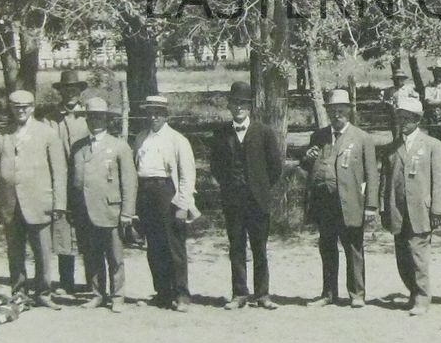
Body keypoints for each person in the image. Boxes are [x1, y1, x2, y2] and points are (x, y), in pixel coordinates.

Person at [204, 79, 285, 309]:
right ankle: (239, 293)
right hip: (233, 202)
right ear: (229, 106)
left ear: (250, 107)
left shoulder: (264, 132)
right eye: (235, 103)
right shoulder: (221, 134)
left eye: (243, 104)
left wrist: (260, 187)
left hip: (258, 201)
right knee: (236, 247)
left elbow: (275, 167)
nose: (239, 107)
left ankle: (262, 294)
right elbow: (216, 166)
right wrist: (229, 186)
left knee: (260, 248)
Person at [0, 88, 70, 306]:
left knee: (42, 251)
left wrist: (59, 203)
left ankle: (43, 293)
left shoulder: (47, 134)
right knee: (14, 251)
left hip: (40, 203)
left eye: (25, 107)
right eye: (16, 107)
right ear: (11, 109)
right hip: (10, 203)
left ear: (32, 108)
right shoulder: (1, 135)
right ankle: (19, 292)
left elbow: (59, 171)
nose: (21, 111)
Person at [302, 87, 376, 307]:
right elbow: (308, 168)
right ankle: (328, 294)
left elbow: (372, 174)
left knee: (353, 247)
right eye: (333, 110)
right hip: (325, 203)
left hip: (350, 202)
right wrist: (307, 158)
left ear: (349, 111)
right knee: (327, 247)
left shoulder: (362, 138)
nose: (337, 114)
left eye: (341, 110)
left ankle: (357, 294)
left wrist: (371, 205)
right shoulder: (319, 136)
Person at [379, 86, 441, 316]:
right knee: (402, 256)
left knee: (418, 254)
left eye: (408, 118)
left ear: (418, 120)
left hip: (421, 210)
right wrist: (383, 209)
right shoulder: (392, 148)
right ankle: (412, 291)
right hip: (397, 209)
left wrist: (437, 209)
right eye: (400, 118)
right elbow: (384, 181)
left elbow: (440, 180)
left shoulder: (432, 146)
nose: (403, 122)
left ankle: (422, 297)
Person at [69, 95, 136, 310]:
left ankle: (117, 297)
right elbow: (72, 181)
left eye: (99, 117)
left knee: (115, 256)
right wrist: (72, 209)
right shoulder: (78, 147)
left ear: (107, 120)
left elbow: (129, 182)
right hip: (85, 211)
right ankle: (97, 294)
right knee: (91, 255)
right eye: (91, 117)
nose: (95, 121)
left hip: (110, 210)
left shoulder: (119, 146)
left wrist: (127, 212)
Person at [131, 93, 198, 309]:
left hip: (167, 191)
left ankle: (181, 294)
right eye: (150, 113)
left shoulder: (177, 140)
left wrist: (182, 204)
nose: (154, 117)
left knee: (173, 245)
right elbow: (135, 168)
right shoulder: (140, 138)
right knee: (154, 246)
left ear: (166, 115)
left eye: (158, 113)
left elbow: (188, 175)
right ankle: (162, 292)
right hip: (146, 192)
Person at [51, 74, 89, 296]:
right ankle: (66, 282)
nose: (70, 93)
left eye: (74, 89)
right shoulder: (51, 118)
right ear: (60, 92)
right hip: (61, 181)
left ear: (80, 91)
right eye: (66, 89)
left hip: (85, 181)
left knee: (89, 229)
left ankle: (94, 283)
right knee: (63, 231)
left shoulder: (89, 116)